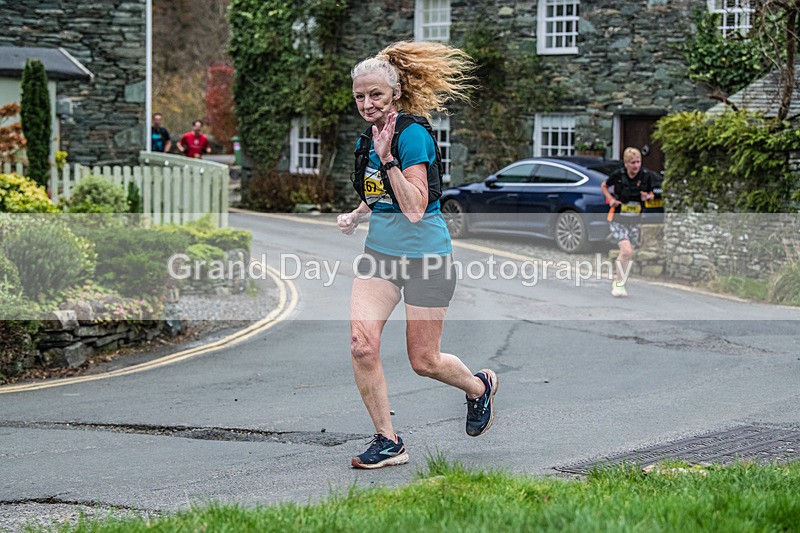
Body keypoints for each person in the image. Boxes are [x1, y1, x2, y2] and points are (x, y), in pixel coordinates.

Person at [337, 41, 498, 470]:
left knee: (424, 361)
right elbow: (381, 196)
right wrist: (356, 213)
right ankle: (389, 440)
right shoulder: (368, 139)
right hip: (380, 258)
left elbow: (413, 207)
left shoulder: (411, 136)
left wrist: (389, 158)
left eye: (375, 95)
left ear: (395, 95)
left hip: (428, 257)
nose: (367, 104)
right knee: (361, 345)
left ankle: (479, 388)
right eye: (359, 96)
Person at [601, 147, 656, 297]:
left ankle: (619, 282)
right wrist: (611, 199)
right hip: (618, 218)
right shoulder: (618, 175)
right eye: (633, 163)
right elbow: (604, 185)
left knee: (628, 254)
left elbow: (652, 194)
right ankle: (618, 285)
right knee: (626, 251)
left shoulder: (646, 176)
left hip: (634, 220)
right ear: (626, 163)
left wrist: (648, 197)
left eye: (638, 162)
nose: (636, 165)